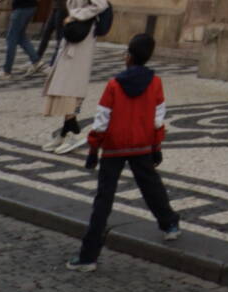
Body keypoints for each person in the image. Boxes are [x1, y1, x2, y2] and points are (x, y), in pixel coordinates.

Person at [68, 32, 181, 268]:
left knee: (104, 200)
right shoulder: (155, 83)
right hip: (141, 145)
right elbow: (158, 118)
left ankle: (88, 256)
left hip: (114, 147)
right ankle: (169, 223)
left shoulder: (114, 84)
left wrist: (93, 148)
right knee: (151, 185)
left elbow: (102, 120)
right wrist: (156, 145)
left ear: (128, 56)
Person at [43, 0, 110, 151]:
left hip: (81, 38)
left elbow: (100, 4)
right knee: (64, 84)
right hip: (75, 38)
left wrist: (76, 16)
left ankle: (72, 133)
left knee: (69, 85)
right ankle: (65, 132)